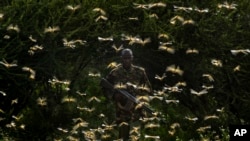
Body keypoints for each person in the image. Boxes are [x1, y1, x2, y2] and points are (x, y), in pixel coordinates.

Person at [102, 48, 152, 140]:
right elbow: (105, 87)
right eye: (125, 58)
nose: (127, 60)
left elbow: (148, 89)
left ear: (132, 58)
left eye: (128, 58)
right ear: (121, 58)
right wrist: (114, 96)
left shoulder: (140, 72)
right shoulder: (115, 72)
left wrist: (137, 93)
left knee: (135, 137)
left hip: (137, 112)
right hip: (122, 113)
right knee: (123, 138)